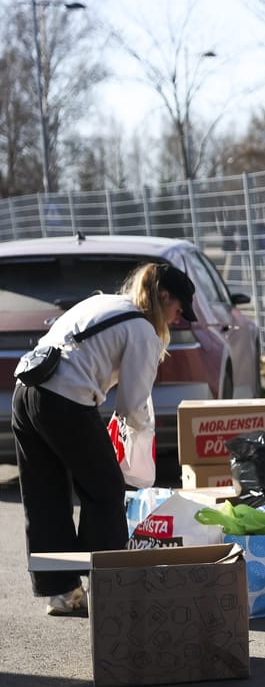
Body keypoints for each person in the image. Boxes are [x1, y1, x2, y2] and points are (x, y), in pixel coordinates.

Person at [13, 262, 197, 615]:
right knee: (106, 491)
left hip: (26, 392)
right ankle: (108, 584)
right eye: (178, 311)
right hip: (64, 401)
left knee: (44, 496)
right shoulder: (143, 331)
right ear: (164, 296)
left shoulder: (102, 302)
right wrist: (138, 446)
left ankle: (62, 593)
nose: (177, 319)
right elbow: (133, 405)